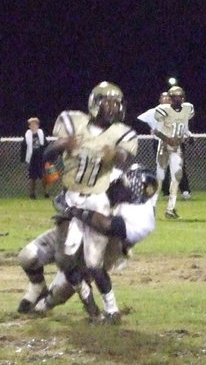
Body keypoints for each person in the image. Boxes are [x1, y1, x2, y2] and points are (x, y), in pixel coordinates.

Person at [42, 81, 138, 320]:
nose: (113, 108)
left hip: (97, 201)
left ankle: (112, 310)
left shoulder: (122, 133)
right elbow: (46, 156)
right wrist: (62, 144)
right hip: (71, 198)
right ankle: (91, 307)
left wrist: (115, 154)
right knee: (66, 260)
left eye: (117, 103)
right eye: (108, 102)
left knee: (95, 264)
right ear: (95, 103)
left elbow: (124, 158)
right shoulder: (72, 121)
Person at [17, 165, 157, 322]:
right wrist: (67, 205)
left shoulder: (143, 219)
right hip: (75, 227)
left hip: (110, 246)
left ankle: (106, 309)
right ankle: (38, 287)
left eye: (132, 195)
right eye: (126, 189)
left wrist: (74, 210)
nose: (128, 196)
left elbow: (106, 226)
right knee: (27, 257)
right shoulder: (106, 176)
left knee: (62, 289)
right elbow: (62, 197)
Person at [137, 92, 192, 200]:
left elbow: (185, 127)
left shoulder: (178, 111)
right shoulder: (153, 111)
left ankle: (185, 191)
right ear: (160, 100)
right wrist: (150, 128)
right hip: (160, 142)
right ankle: (166, 192)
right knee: (162, 168)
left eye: (169, 97)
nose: (166, 99)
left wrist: (189, 135)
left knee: (179, 166)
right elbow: (138, 120)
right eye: (164, 97)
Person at [154, 86, 195, 219]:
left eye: (180, 97)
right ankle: (152, 208)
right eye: (175, 97)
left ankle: (170, 209)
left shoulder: (188, 108)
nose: (178, 99)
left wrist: (189, 137)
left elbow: (184, 128)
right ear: (171, 99)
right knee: (160, 177)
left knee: (176, 177)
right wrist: (167, 139)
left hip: (177, 147)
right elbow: (156, 131)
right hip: (164, 146)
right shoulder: (163, 110)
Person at [20, 117, 50, 199]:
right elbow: (23, 147)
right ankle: (32, 194)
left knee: (43, 176)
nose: (33, 126)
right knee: (32, 177)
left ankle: (46, 193)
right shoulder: (27, 135)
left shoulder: (41, 134)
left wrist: (47, 159)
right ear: (29, 126)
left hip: (41, 158)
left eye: (35, 124)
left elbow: (46, 146)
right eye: (31, 124)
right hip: (32, 159)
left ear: (38, 125)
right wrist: (23, 160)